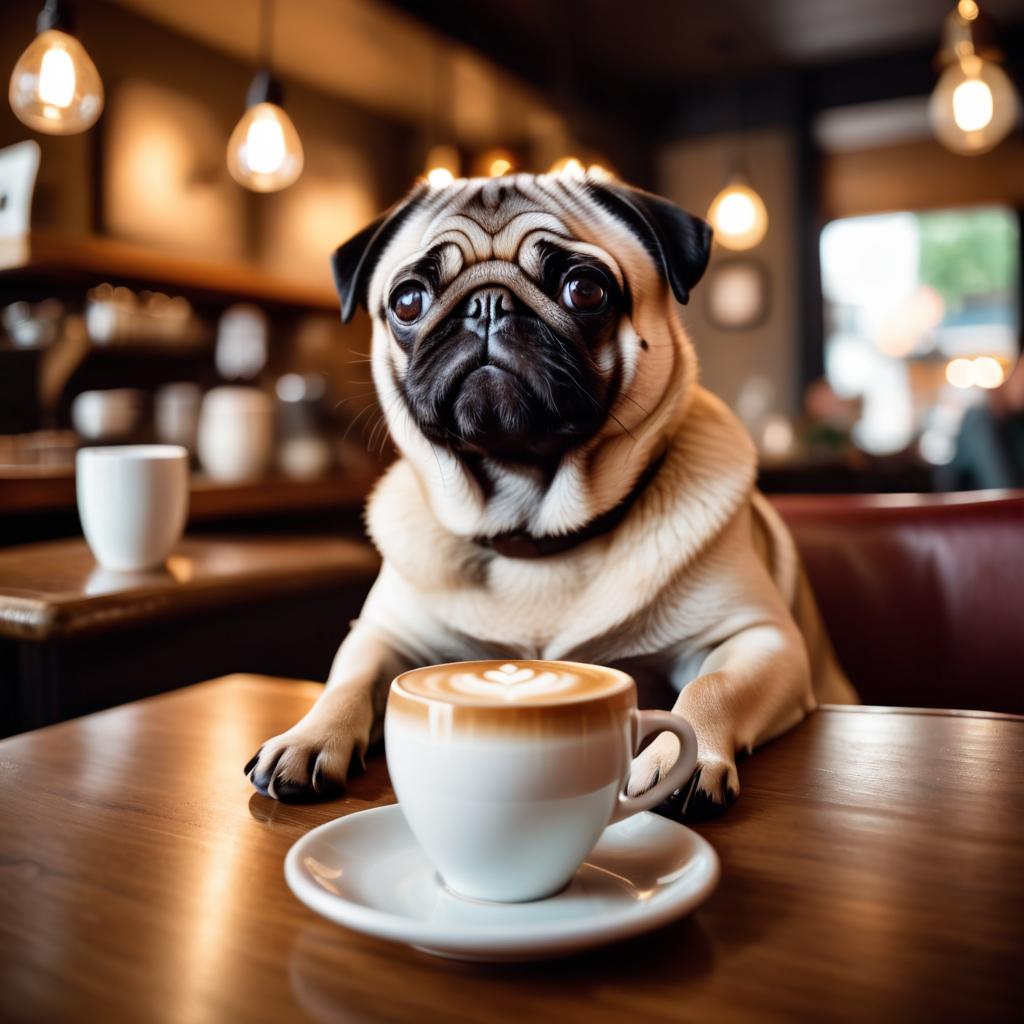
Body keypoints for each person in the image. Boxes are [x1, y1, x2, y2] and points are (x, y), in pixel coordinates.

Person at [941, 354, 1024, 490]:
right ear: (1016, 372)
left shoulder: (1017, 418)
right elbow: (1003, 487)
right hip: (972, 508)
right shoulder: (980, 417)